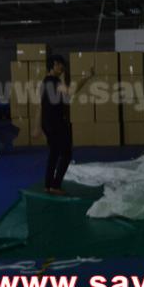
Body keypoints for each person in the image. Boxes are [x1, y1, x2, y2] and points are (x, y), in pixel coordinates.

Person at [32, 54, 93, 195]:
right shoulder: (54, 82)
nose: (62, 67)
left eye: (62, 64)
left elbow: (40, 106)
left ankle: (48, 185)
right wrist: (87, 77)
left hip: (48, 123)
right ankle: (55, 185)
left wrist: (37, 126)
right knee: (66, 154)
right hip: (56, 124)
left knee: (54, 153)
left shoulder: (44, 82)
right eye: (59, 64)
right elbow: (72, 91)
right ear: (52, 65)